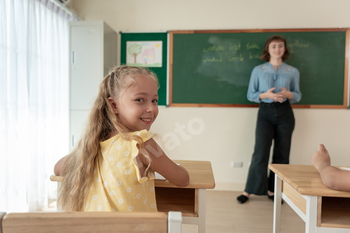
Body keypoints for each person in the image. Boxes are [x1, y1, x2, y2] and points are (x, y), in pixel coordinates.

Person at [54, 65, 189, 212]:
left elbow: (58, 168)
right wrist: (179, 168)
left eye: (154, 101)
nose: (151, 108)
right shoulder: (140, 142)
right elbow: (182, 179)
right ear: (114, 106)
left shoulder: (92, 146)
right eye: (140, 100)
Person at [237, 35, 301, 204]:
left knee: (282, 153)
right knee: (260, 152)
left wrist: (289, 94)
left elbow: (298, 95)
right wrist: (266, 95)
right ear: (268, 49)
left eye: (281, 46)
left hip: (285, 113)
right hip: (265, 111)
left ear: (285, 49)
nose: (277, 49)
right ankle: (249, 190)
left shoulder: (293, 71)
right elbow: (251, 94)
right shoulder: (258, 70)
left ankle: (274, 190)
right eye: (274, 46)